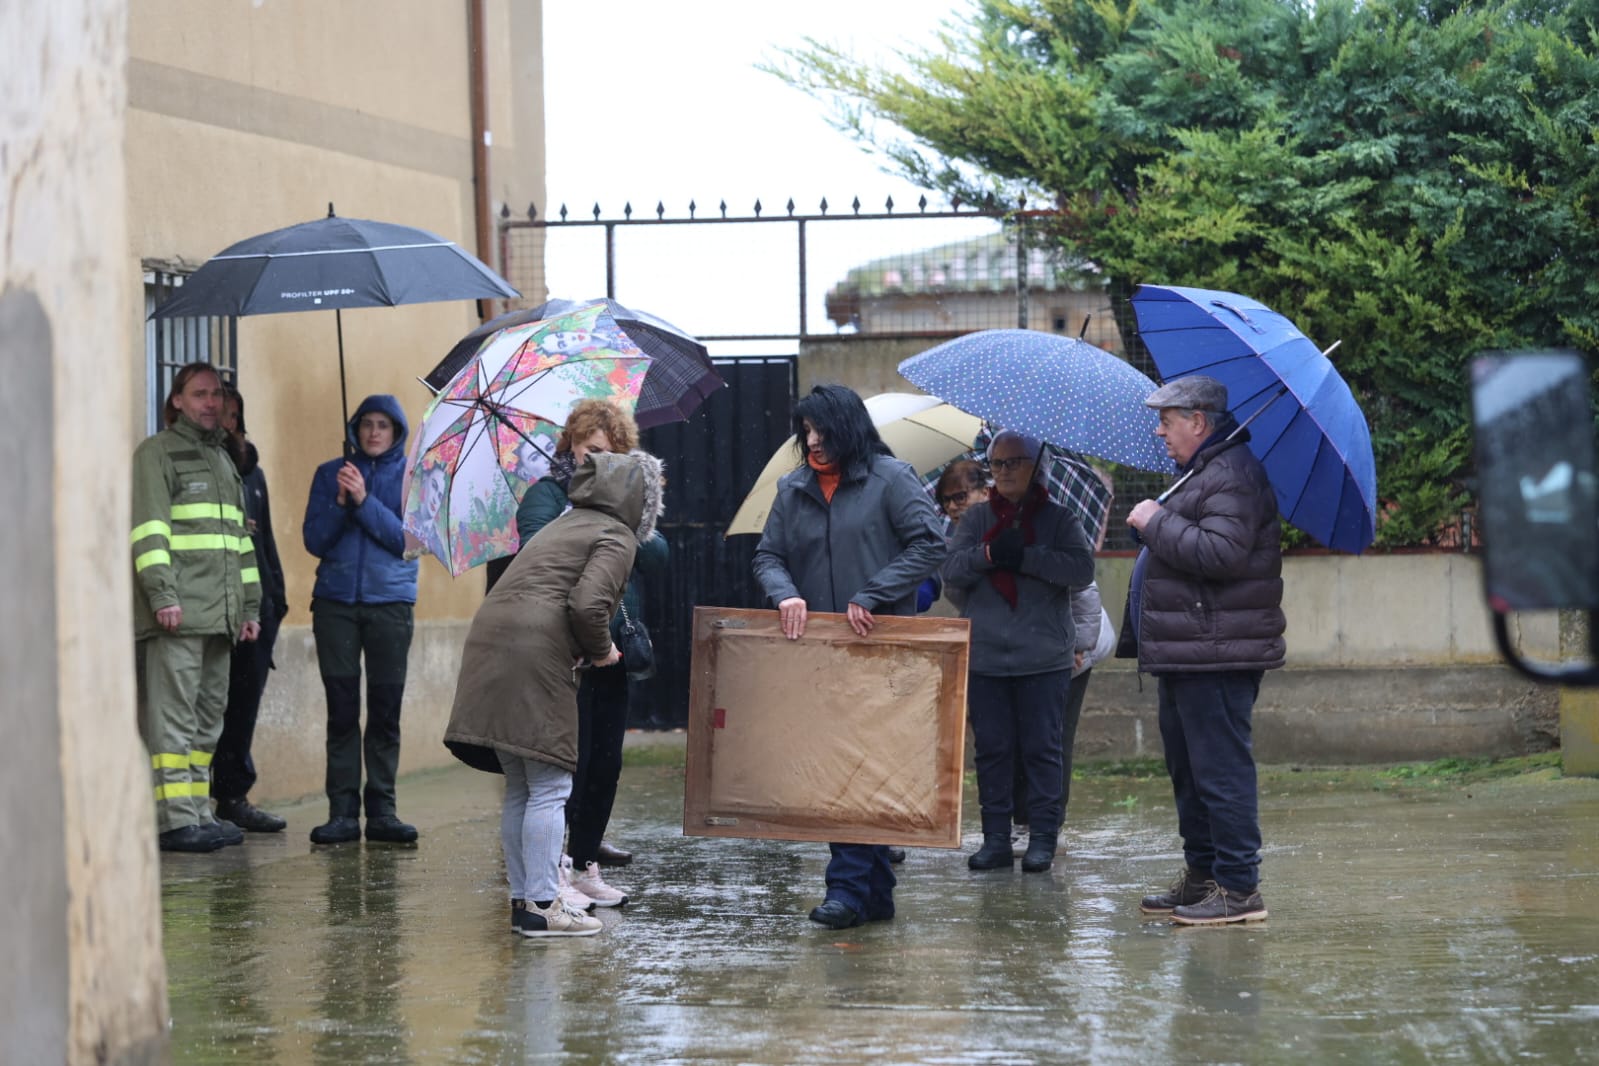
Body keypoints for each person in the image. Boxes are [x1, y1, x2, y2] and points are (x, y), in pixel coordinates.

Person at [444, 450, 666, 938]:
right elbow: (588, 605)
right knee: (549, 784)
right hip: (535, 652)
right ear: (639, 500)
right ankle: (546, 903)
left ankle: (525, 903)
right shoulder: (616, 535)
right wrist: (604, 651)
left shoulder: (564, 524)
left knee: (523, 784)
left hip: (493, 640)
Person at [753, 384, 947, 930]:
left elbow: (929, 545)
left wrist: (874, 591)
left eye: (822, 431)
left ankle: (845, 889)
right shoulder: (793, 489)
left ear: (848, 429)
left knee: (865, 766)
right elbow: (768, 554)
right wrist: (785, 592)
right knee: (840, 765)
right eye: (806, 432)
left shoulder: (893, 479)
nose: (812, 442)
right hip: (818, 652)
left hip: (882, 648)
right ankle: (872, 893)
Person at [1123, 375, 1284, 925]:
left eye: (1167, 420)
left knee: (1219, 772)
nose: (1159, 430)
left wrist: (1155, 521)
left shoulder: (1233, 474)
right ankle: (1203, 877)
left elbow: (1222, 554)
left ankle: (1239, 891)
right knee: (1190, 772)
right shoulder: (1203, 473)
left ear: (1199, 421)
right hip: (1189, 651)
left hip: (1217, 653)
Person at [515, 399, 659, 901]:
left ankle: (585, 863)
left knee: (605, 760)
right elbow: (533, 546)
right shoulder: (547, 494)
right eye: (591, 449)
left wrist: (627, 522)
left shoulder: (626, 504)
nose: (599, 460)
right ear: (571, 447)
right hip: (563, 650)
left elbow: (658, 554)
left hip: (613, 646)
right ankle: (552, 868)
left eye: (612, 453)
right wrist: (577, 516)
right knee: (566, 762)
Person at [942, 430, 1095, 874]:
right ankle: (994, 839)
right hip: (988, 655)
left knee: (1042, 749)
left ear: (1035, 465)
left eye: (1014, 463)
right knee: (992, 749)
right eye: (998, 464)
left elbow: (1080, 569)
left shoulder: (1058, 519)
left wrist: (1026, 556)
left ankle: (1043, 839)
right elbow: (952, 567)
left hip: (1043, 656)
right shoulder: (976, 519)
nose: (1004, 471)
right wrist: (990, 552)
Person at [131, 362, 261, 852]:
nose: (211, 402)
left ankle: (199, 812)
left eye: (217, 394)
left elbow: (239, 544)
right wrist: (162, 595)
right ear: (178, 401)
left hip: (222, 616)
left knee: (208, 720)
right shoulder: (156, 454)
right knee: (174, 720)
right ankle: (173, 820)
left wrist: (250, 607)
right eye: (200, 394)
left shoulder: (224, 460)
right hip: (179, 616)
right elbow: (148, 531)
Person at [302, 395, 420, 846]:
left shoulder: (412, 476)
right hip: (334, 604)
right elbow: (315, 539)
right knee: (342, 710)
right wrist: (339, 500)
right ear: (356, 429)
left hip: (391, 604)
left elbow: (405, 541)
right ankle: (342, 813)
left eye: (383, 426)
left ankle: (384, 810)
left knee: (386, 711)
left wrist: (364, 500)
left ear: (396, 432)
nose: (373, 432)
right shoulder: (331, 472)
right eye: (366, 424)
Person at [209, 386, 289, 833]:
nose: (227, 422)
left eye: (234, 415)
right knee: (209, 707)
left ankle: (234, 795)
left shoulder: (252, 470)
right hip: (218, 604)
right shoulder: (207, 468)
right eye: (220, 413)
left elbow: (267, 540)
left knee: (244, 704)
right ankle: (207, 798)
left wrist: (277, 595)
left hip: (260, 605)